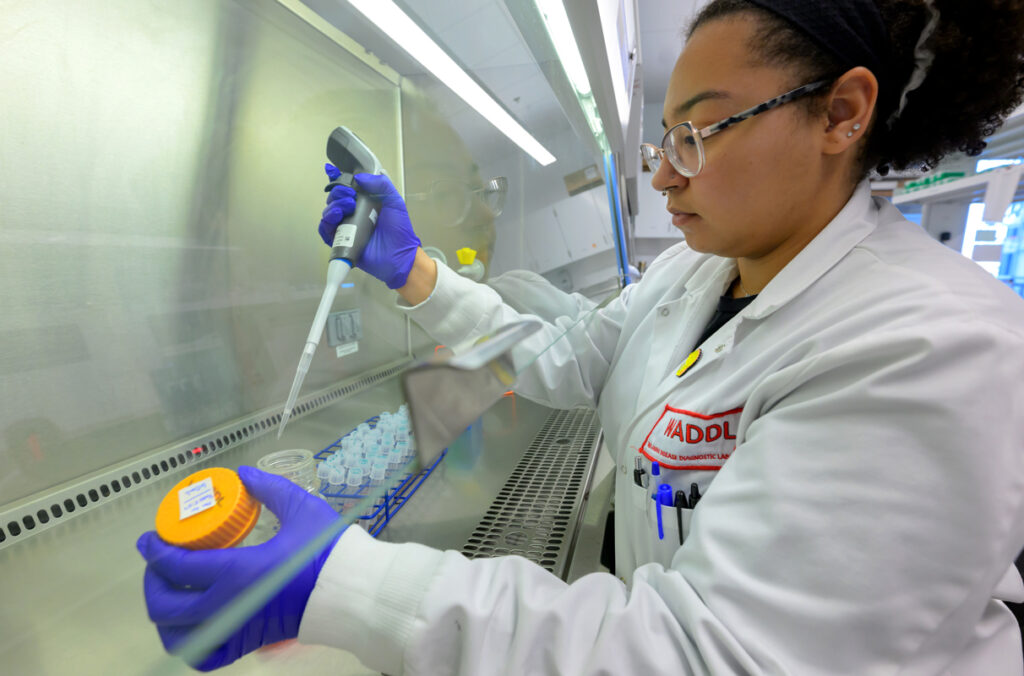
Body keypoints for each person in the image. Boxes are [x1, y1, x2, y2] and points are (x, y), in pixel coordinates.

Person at [137, 0, 1024, 672]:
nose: (666, 175)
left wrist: (339, 585)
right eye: (663, 137)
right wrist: (413, 271)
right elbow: (568, 361)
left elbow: (707, 655)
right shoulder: (698, 273)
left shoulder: (930, 349)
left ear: (841, 114)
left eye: (698, 134)